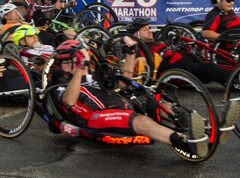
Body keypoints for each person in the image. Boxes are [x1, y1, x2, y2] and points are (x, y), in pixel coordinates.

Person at [49, 40, 211, 159]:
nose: (73, 64)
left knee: (163, 105)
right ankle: (186, 142)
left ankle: (208, 126)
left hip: (122, 106)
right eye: (68, 62)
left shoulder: (94, 76)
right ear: (61, 64)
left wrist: (130, 53)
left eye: (75, 60)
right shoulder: (61, 83)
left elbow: (122, 82)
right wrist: (78, 70)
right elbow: (69, 101)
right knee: (142, 122)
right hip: (98, 117)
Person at [125, 18, 234, 86]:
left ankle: (237, 76)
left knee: (214, 63)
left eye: (149, 28)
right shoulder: (137, 49)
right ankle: (239, 79)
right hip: (173, 68)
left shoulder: (154, 43)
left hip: (182, 58)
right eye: (145, 29)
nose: (149, 31)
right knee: (209, 68)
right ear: (136, 34)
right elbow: (141, 64)